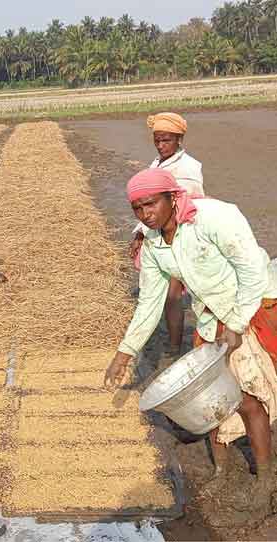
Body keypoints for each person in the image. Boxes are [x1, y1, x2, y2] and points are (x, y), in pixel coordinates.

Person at [105, 168, 277, 509]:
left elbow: (251, 270)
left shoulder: (213, 217)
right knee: (207, 398)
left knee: (247, 397)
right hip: (211, 315)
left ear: (172, 197)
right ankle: (223, 470)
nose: (145, 214)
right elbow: (150, 302)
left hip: (251, 303)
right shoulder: (154, 242)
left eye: (150, 204)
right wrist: (125, 352)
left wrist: (237, 323)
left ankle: (265, 479)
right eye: (137, 208)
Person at [130, 112, 205, 358]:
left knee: (174, 295)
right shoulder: (157, 164)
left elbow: (191, 203)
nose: (161, 146)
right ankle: (177, 343)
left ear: (179, 139)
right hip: (160, 235)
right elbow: (149, 204)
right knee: (162, 293)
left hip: (183, 234)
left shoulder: (189, 167)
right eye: (158, 141)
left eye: (166, 140)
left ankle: (175, 348)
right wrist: (140, 233)